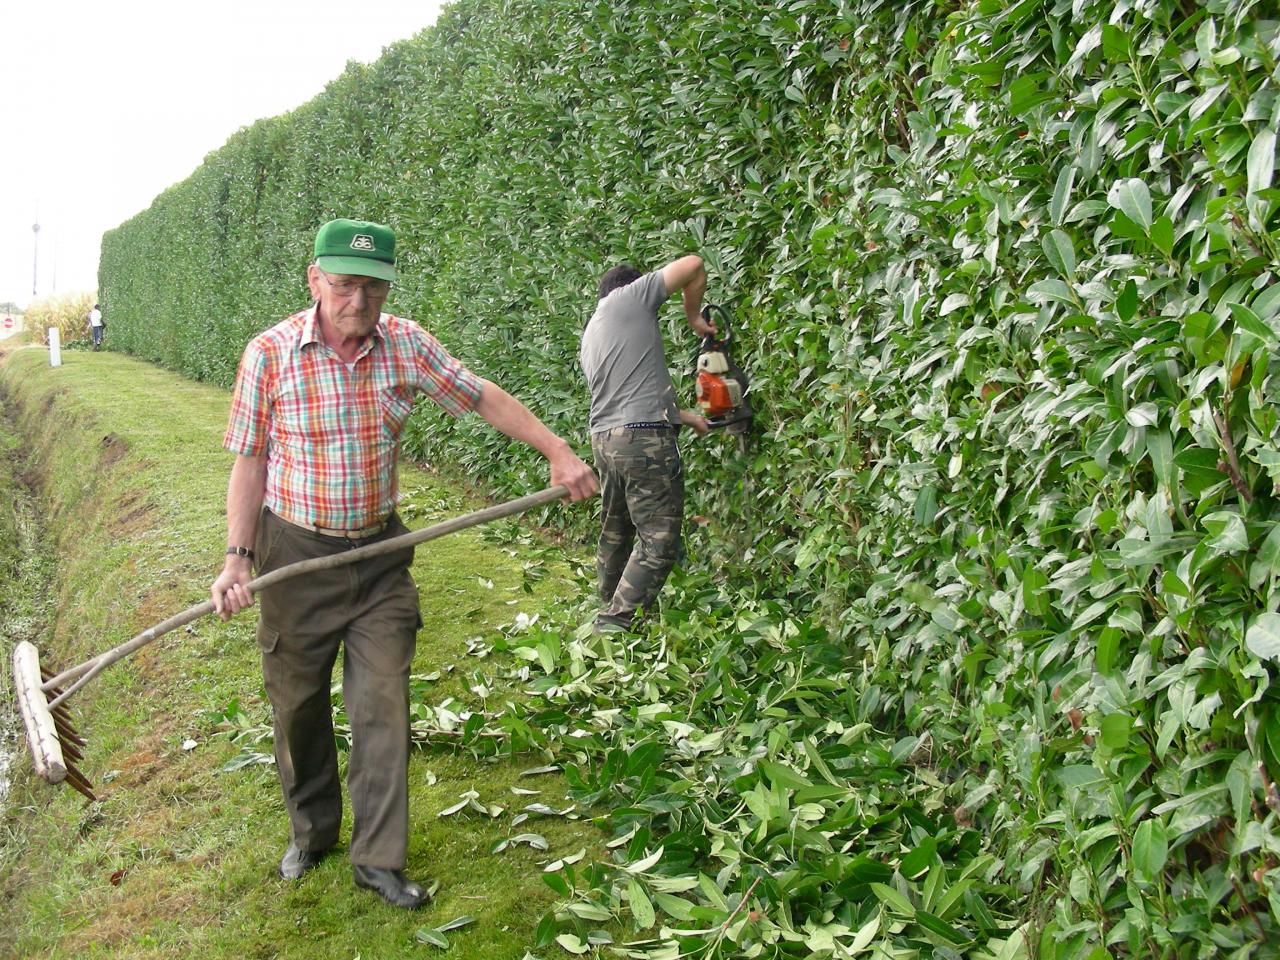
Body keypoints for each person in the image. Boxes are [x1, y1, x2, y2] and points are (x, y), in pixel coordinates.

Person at [210, 218, 597, 909]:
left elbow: (479, 395)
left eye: (373, 286)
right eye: (345, 283)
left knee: (382, 703)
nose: (359, 299)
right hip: (296, 557)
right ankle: (312, 832)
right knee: (298, 708)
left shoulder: (407, 346)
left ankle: (379, 858)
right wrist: (238, 559)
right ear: (315, 280)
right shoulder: (269, 354)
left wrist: (557, 451)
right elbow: (251, 459)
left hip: (380, 557)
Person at [578, 255, 715, 633]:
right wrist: (694, 319)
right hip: (643, 437)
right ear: (631, 286)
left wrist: (685, 417)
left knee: (616, 530)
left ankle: (606, 601)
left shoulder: (593, 331)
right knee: (659, 540)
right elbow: (693, 264)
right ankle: (613, 626)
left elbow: (629, 391)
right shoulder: (630, 298)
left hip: (606, 439)